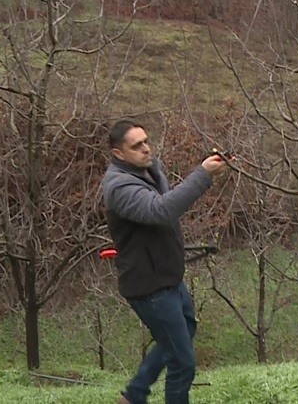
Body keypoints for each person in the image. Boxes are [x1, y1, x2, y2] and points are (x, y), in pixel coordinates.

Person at [102, 118, 231, 404]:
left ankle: (135, 394)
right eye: (137, 146)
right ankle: (137, 395)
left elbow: (168, 203)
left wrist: (206, 169)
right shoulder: (119, 187)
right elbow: (161, 211)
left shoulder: (146, 171)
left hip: (166, 276)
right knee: (182, 364)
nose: (147, 149)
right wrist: (203, 175)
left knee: (186, 329)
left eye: (146, 141)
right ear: (118, 153)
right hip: (150, 287)